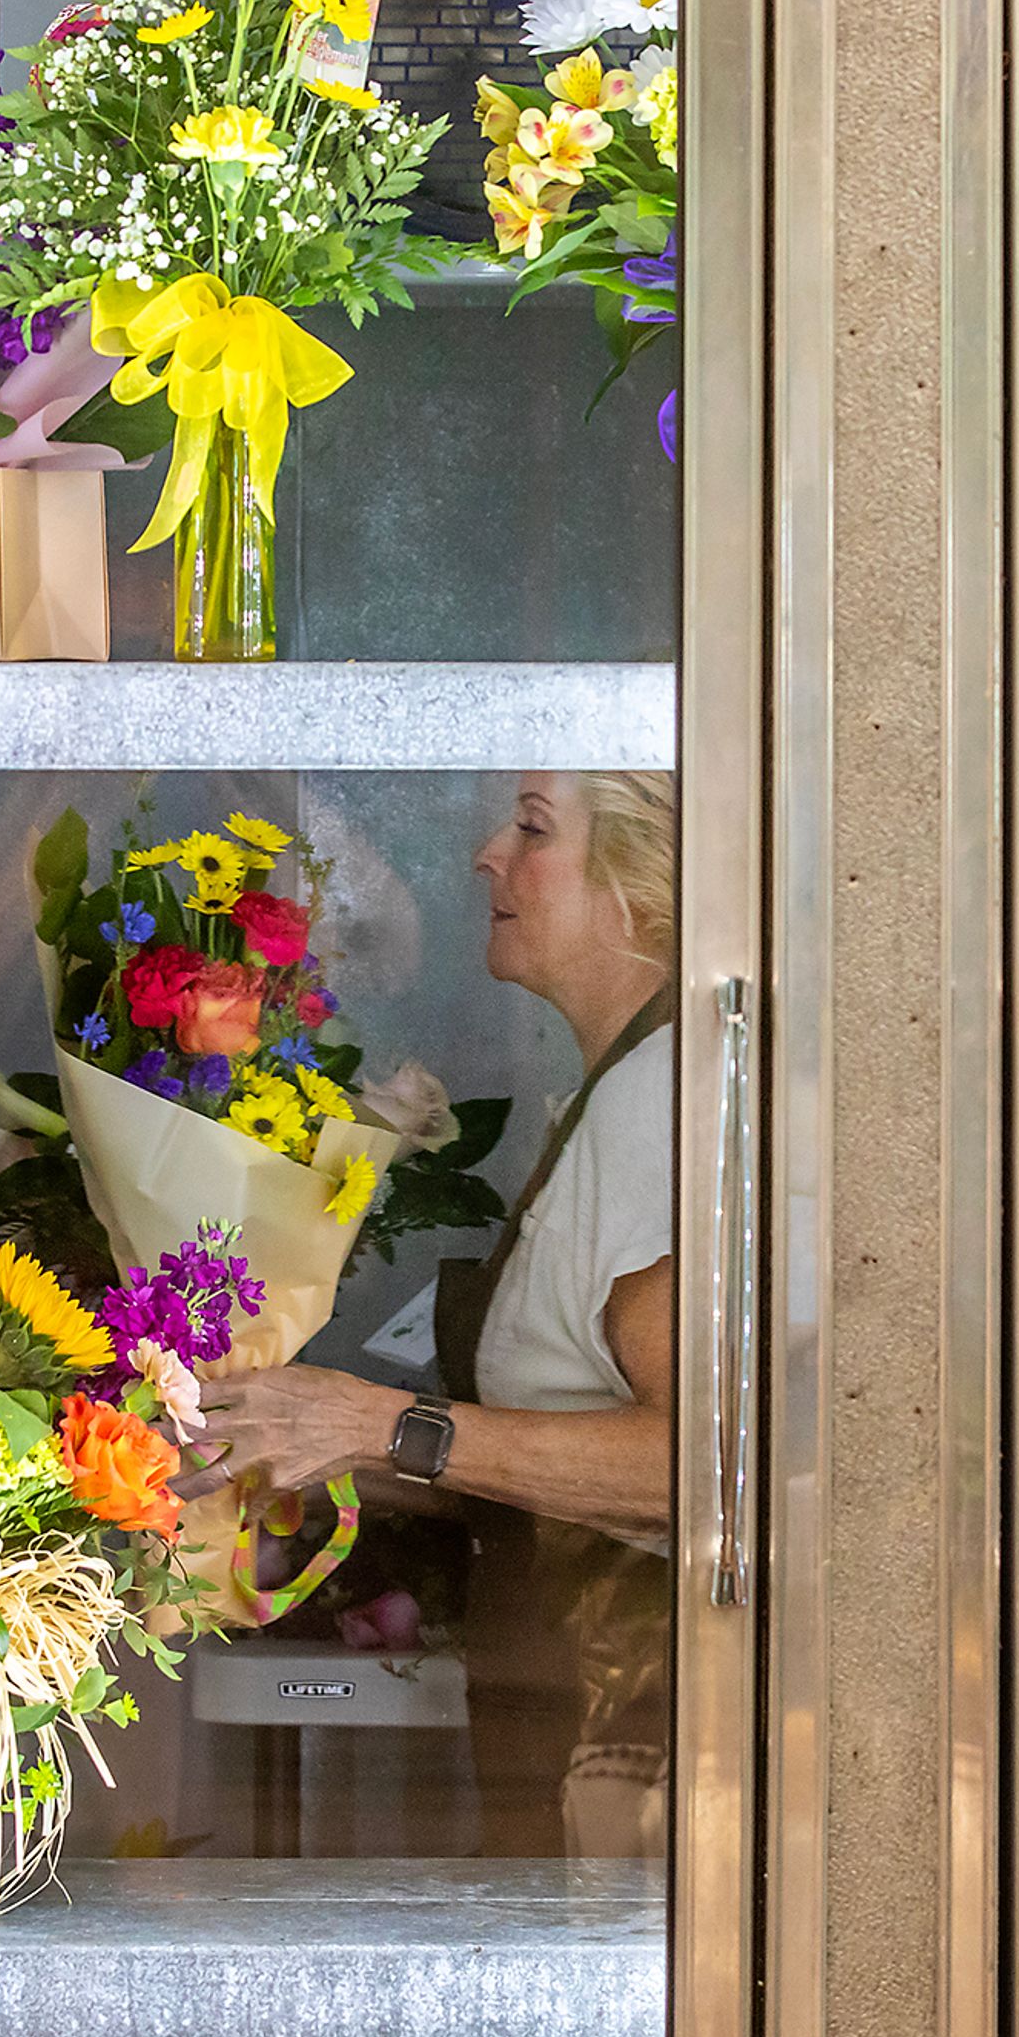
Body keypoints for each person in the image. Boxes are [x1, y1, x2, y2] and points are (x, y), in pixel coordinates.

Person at [190, 770, 677, 1850]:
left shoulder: (664, 1098)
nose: (486, 853)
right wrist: (282, 1442)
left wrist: (374, 1425)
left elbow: (698, 1465)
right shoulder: (626, 1084)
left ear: (639, 879)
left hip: (632, 1728)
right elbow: (541, 1462)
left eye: (534, 827)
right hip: (570, 1711)